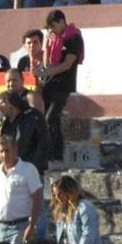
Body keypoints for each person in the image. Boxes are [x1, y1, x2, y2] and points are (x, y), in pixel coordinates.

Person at [36, 9, 84, 165]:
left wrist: (48, 71)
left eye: (53, 26)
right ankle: (56, 156)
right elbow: (47, 62)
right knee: (54, 121)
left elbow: (67, 64)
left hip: (64, 85)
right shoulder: (53, 39)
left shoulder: (73, 38)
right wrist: (46, 47)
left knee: (50, 119)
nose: (52, 30)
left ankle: (52, 155)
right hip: (50, 85)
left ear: (62, 22)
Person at [0, 134, 44, 244]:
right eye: (1, 151)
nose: (4, 155)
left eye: (7, 151)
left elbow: (38, 197)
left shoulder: (28, 169)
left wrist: (32, 225)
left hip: (20, 226)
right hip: (0, 226)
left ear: (15, 150)